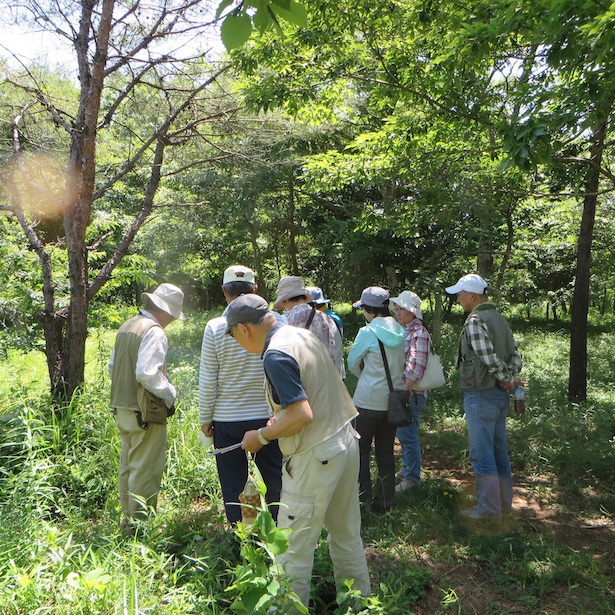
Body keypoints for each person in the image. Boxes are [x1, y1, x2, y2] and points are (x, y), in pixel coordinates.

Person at [229, 294, 371, 611]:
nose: (238, 344)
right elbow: (311, 396)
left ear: (243, 329)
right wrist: (281, 419)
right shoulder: (300, 335)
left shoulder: (275, 355)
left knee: (292, 548)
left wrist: (261, 436)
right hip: (346, 441)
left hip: (314, 455)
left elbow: (302, 415)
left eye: (234, 337)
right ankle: (359, 606)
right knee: (347, 536)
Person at [198, 266, 283, 525]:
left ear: (224, 291)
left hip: (228, 420)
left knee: (234, 484)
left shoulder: (215, 327)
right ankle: (283, 537)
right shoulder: (275, 322)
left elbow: (208, 378)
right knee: (277, 480)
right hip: (270, 419)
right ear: (255, 289)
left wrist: (205, 419)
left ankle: (242, 540)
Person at [445, 273, 523, 520]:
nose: (457, 298)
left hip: (481, 395)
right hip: (499, 398)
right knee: (499, 452)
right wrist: (510, 377)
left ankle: (488, 510)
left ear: (472, 295)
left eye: (460, 294)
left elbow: (487, 355)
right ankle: (503, 504)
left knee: (482, 454)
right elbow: (516, 355)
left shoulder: (475, 321)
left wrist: (505, 378)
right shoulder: (500, 319)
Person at [109, 283, 185, 532]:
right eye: (173, 316)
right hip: (145, 412)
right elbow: (147, 373)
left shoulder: (127, 326)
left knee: (128, 467)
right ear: (166, 311)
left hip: (122, 407)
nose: (172, 321)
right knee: (145, 470)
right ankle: (139, 529)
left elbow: (113, 368)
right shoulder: (154, 331)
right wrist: (171, 394)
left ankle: (127, 521)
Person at [347, 286, 405, 513]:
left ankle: (363, 499)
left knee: (360, 450)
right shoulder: (400, 330)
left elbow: (353, 362)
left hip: (368, 400)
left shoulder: (367, 332)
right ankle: (385, 502)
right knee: (385, 452)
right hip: (393, 401)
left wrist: (366, 375)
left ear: (369, 309)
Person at [390, 291, 431, 492]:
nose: (398, 312)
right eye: (396, 308)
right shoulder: (406, 330)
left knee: (408, 434)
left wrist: (405, 389)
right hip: (406, 392)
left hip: (412, 393)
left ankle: (411, 478)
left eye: (402, 309)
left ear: (412, 312)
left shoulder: (418, 332)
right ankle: (407, 468)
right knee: (404, 432)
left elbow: (417, 364)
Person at [274, 276, 345, 378]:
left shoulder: (283, 322)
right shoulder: (327, 318)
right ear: (304, 297)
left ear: (285, 300)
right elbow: (337, 351)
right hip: (329, 381)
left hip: (302, 384)